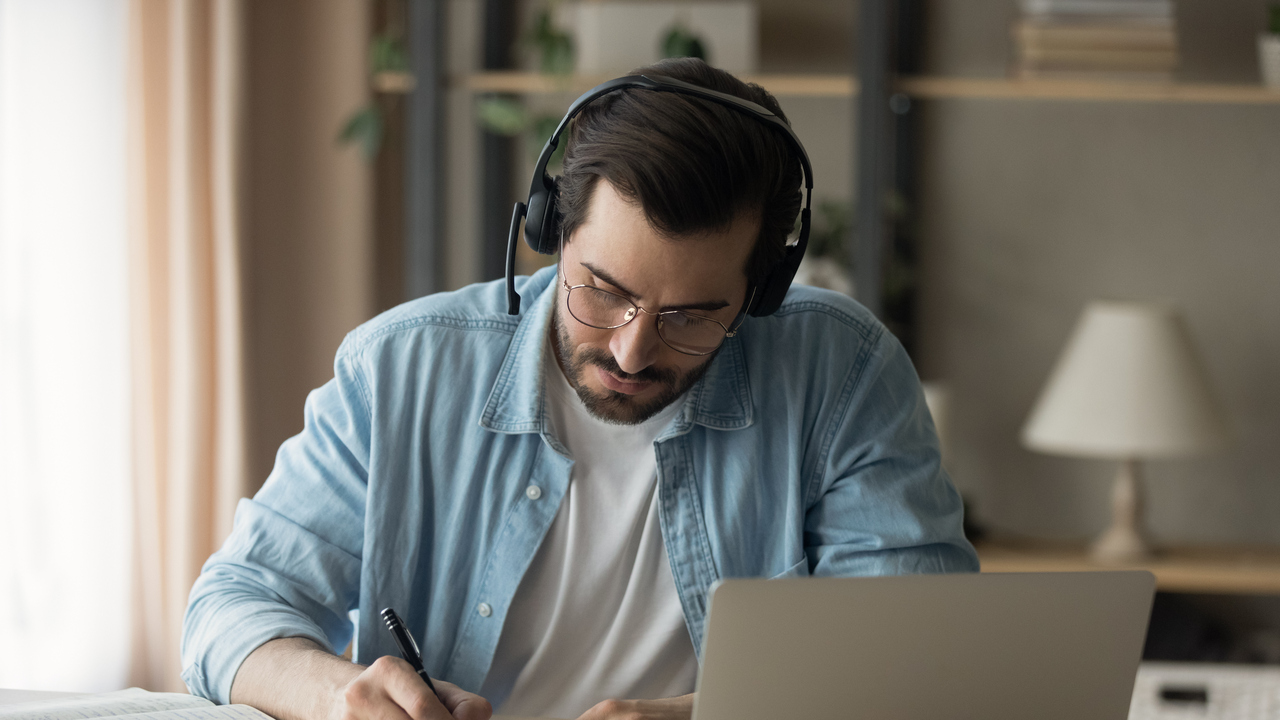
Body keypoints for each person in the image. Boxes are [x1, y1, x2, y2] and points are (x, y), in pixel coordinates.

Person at [181, 58, 978, 720]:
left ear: (760, 294)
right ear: (551, 233)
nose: (632, 349)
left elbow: (917, 661)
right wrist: (339, 696)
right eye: (600, 289)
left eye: (692, 316)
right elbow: (230, 608)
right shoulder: (400, 370)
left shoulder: (843, 372)